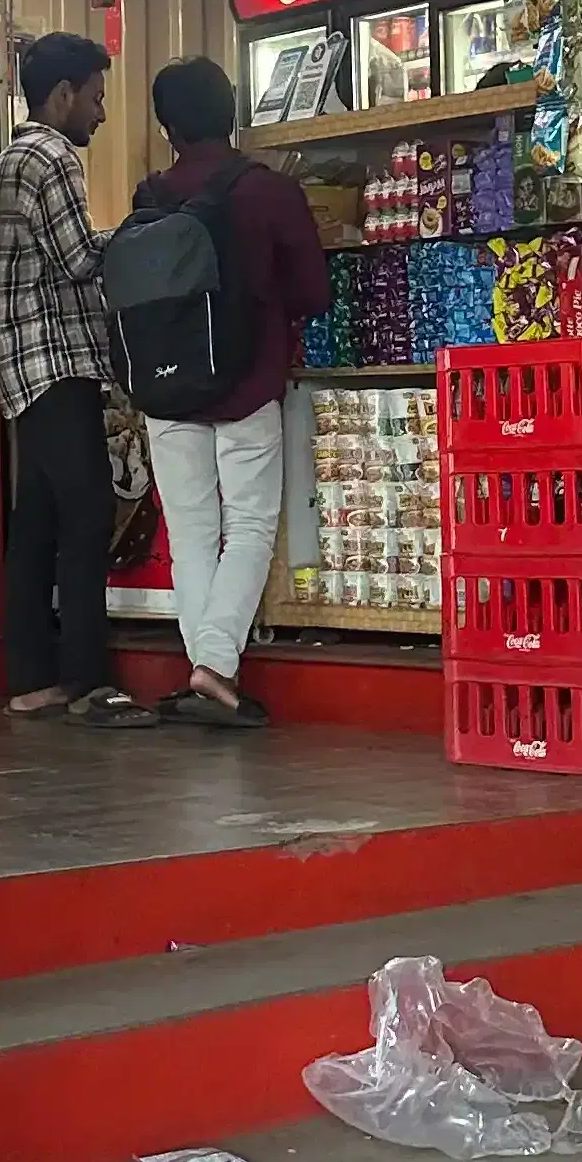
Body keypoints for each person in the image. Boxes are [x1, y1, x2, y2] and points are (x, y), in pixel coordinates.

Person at [138, 54, 330, 729]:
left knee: (192, 535)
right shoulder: (269, 191)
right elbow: (313, 292)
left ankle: (206, 673)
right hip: (248, 383)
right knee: (247, 526)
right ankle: (213, 668)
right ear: (233, 110)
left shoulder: (150, 197)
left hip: (165, 388)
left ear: (167, 125)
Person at [0, 30, 138, 725]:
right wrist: (144, 233)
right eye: (97, 97)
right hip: (57, 360)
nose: (101, 114)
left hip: (21, 365)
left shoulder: (4, 162)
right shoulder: (51, 156)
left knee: (39, 523)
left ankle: (32, 678)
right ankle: (87, 680)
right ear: (64, 94)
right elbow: (79, 259)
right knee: (87, 516)